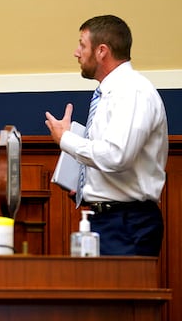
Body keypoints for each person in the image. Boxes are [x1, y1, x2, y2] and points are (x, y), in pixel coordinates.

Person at [45, 15, 168, 256]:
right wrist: (88, 185)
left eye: (82, 44)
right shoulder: (110, 93)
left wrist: (66, 139)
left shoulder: (132, 92)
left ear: (101, 51)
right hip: (109, 220)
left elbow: (116, 155)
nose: (76, 52)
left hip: (126, 224)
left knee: (122, 294)